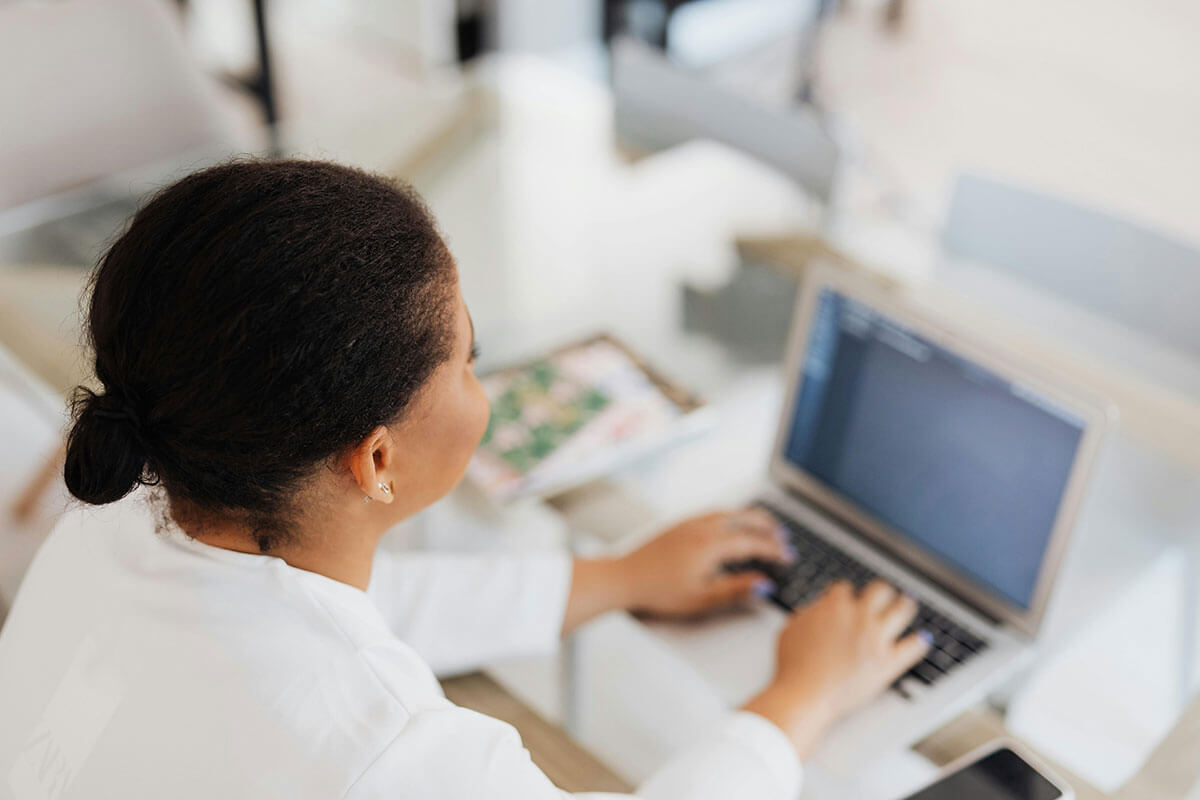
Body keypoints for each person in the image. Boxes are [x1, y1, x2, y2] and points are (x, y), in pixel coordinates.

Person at [0, 160, 928, 799]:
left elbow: (330, 607)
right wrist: (797, 700)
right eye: (470, 362)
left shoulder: (122, 515)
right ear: (376, 459)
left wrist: (614, 578)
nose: (484, 384)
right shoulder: (386, 754)